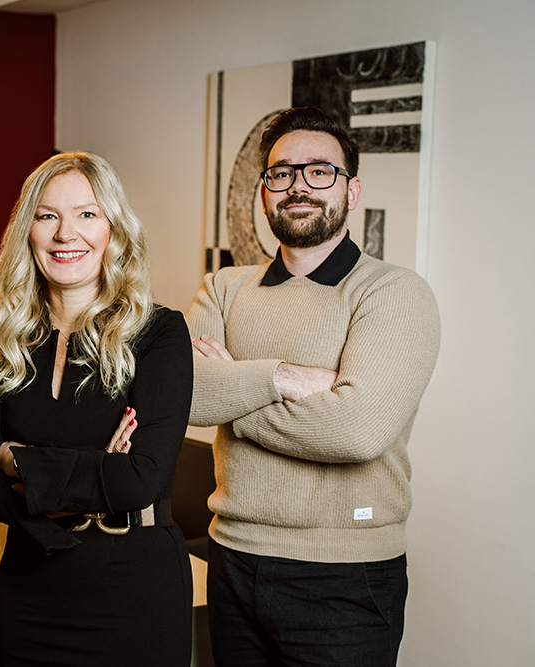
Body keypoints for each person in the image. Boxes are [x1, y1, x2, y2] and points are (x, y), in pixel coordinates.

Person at [186, 106, 441, 666]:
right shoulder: (224, 287)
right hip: (230, 557)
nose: (298, 186)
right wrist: (283, 377)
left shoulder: (393, 292)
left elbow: (356, 431)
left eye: (320, 171)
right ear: (264, 191)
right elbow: (184, 396)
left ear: (352, 190)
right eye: (282, 173)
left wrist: (233, 390)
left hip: (345, 576)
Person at [0, 151, 194, 666]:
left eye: (87, 214)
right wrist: (96, 469)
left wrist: (14, 459)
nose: (67, 233)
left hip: (135, 591)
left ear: (114, 229)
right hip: (29, 588)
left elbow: (141, 479)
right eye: (47, 216)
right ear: (28, 231)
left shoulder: (159, 333)